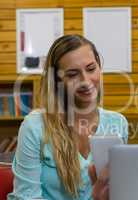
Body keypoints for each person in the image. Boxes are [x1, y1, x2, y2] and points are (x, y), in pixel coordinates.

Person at [8, 34, 128, 200]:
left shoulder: (118, 122)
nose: (85, 81)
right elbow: (26, 197)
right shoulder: (34, 126)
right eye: (72, 74)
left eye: (91, 68)